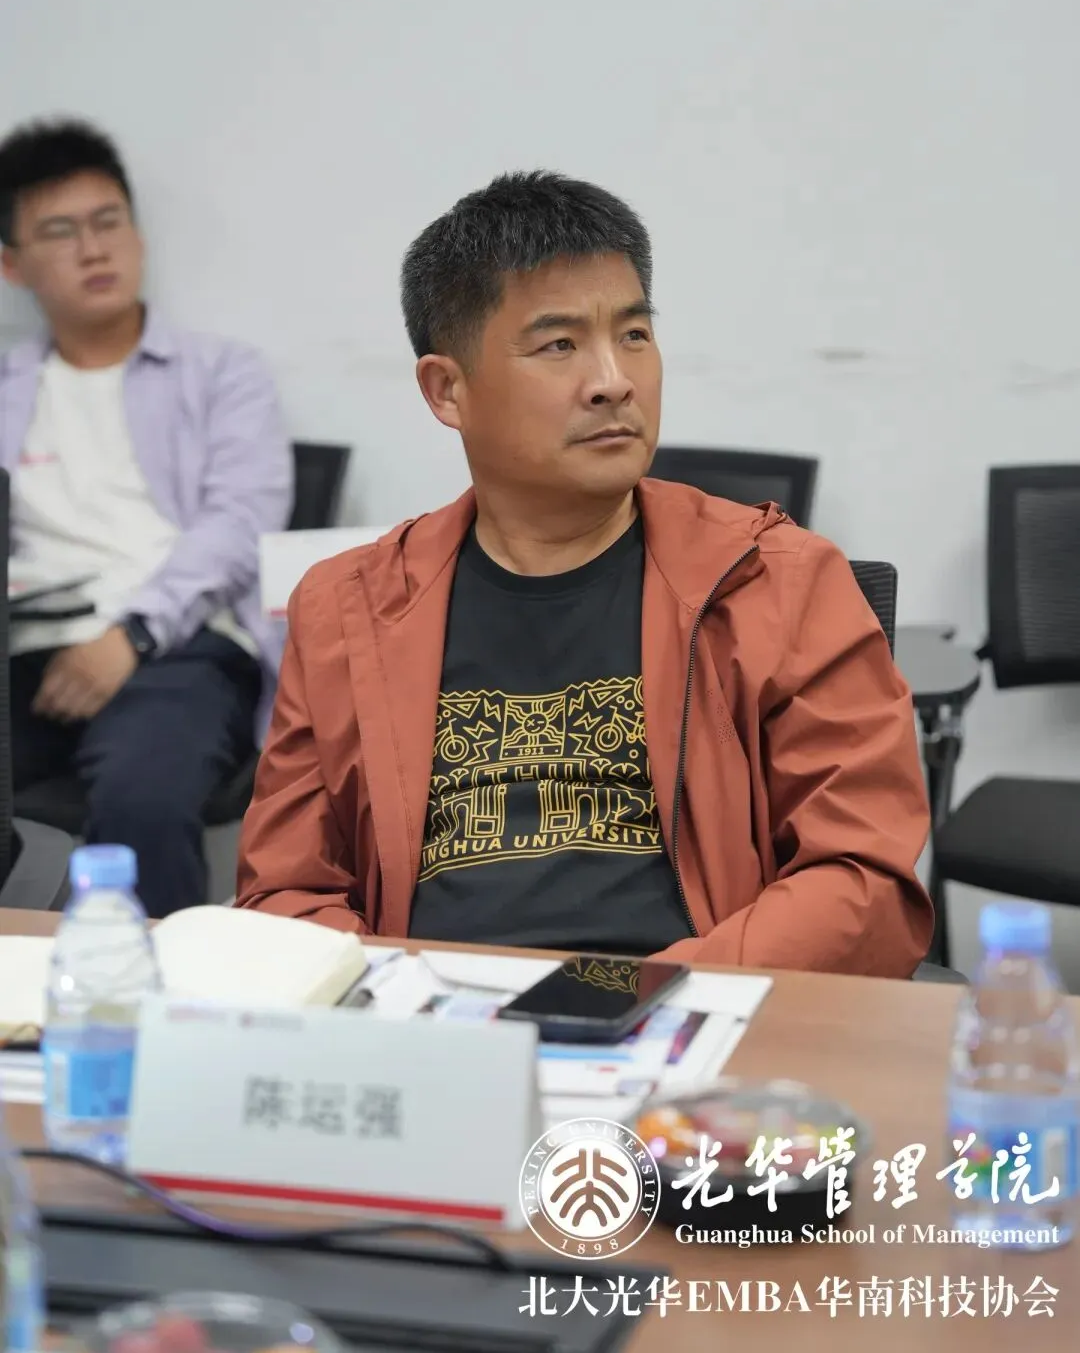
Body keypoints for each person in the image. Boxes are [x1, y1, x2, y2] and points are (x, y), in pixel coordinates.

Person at [237, 170, 933, 974]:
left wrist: (644, 995)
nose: (614, 380)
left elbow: (863, 879)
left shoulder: (779, 582)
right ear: (447, 389)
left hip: (696, 1015)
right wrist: (405, 1006)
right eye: (559, 345)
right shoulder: (347, 608)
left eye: (633, 334)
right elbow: (285, 893)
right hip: (437, 1020)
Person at [0, 118, 292, 915]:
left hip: (176, 647)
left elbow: (238, 527)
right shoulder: (9, 387)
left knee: (143, 802)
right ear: (12, 263)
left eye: (108, 221)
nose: (93, 249)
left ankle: (150, 989)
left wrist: (129, 636)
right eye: (60, 232)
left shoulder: (221, 373)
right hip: (24, 653)